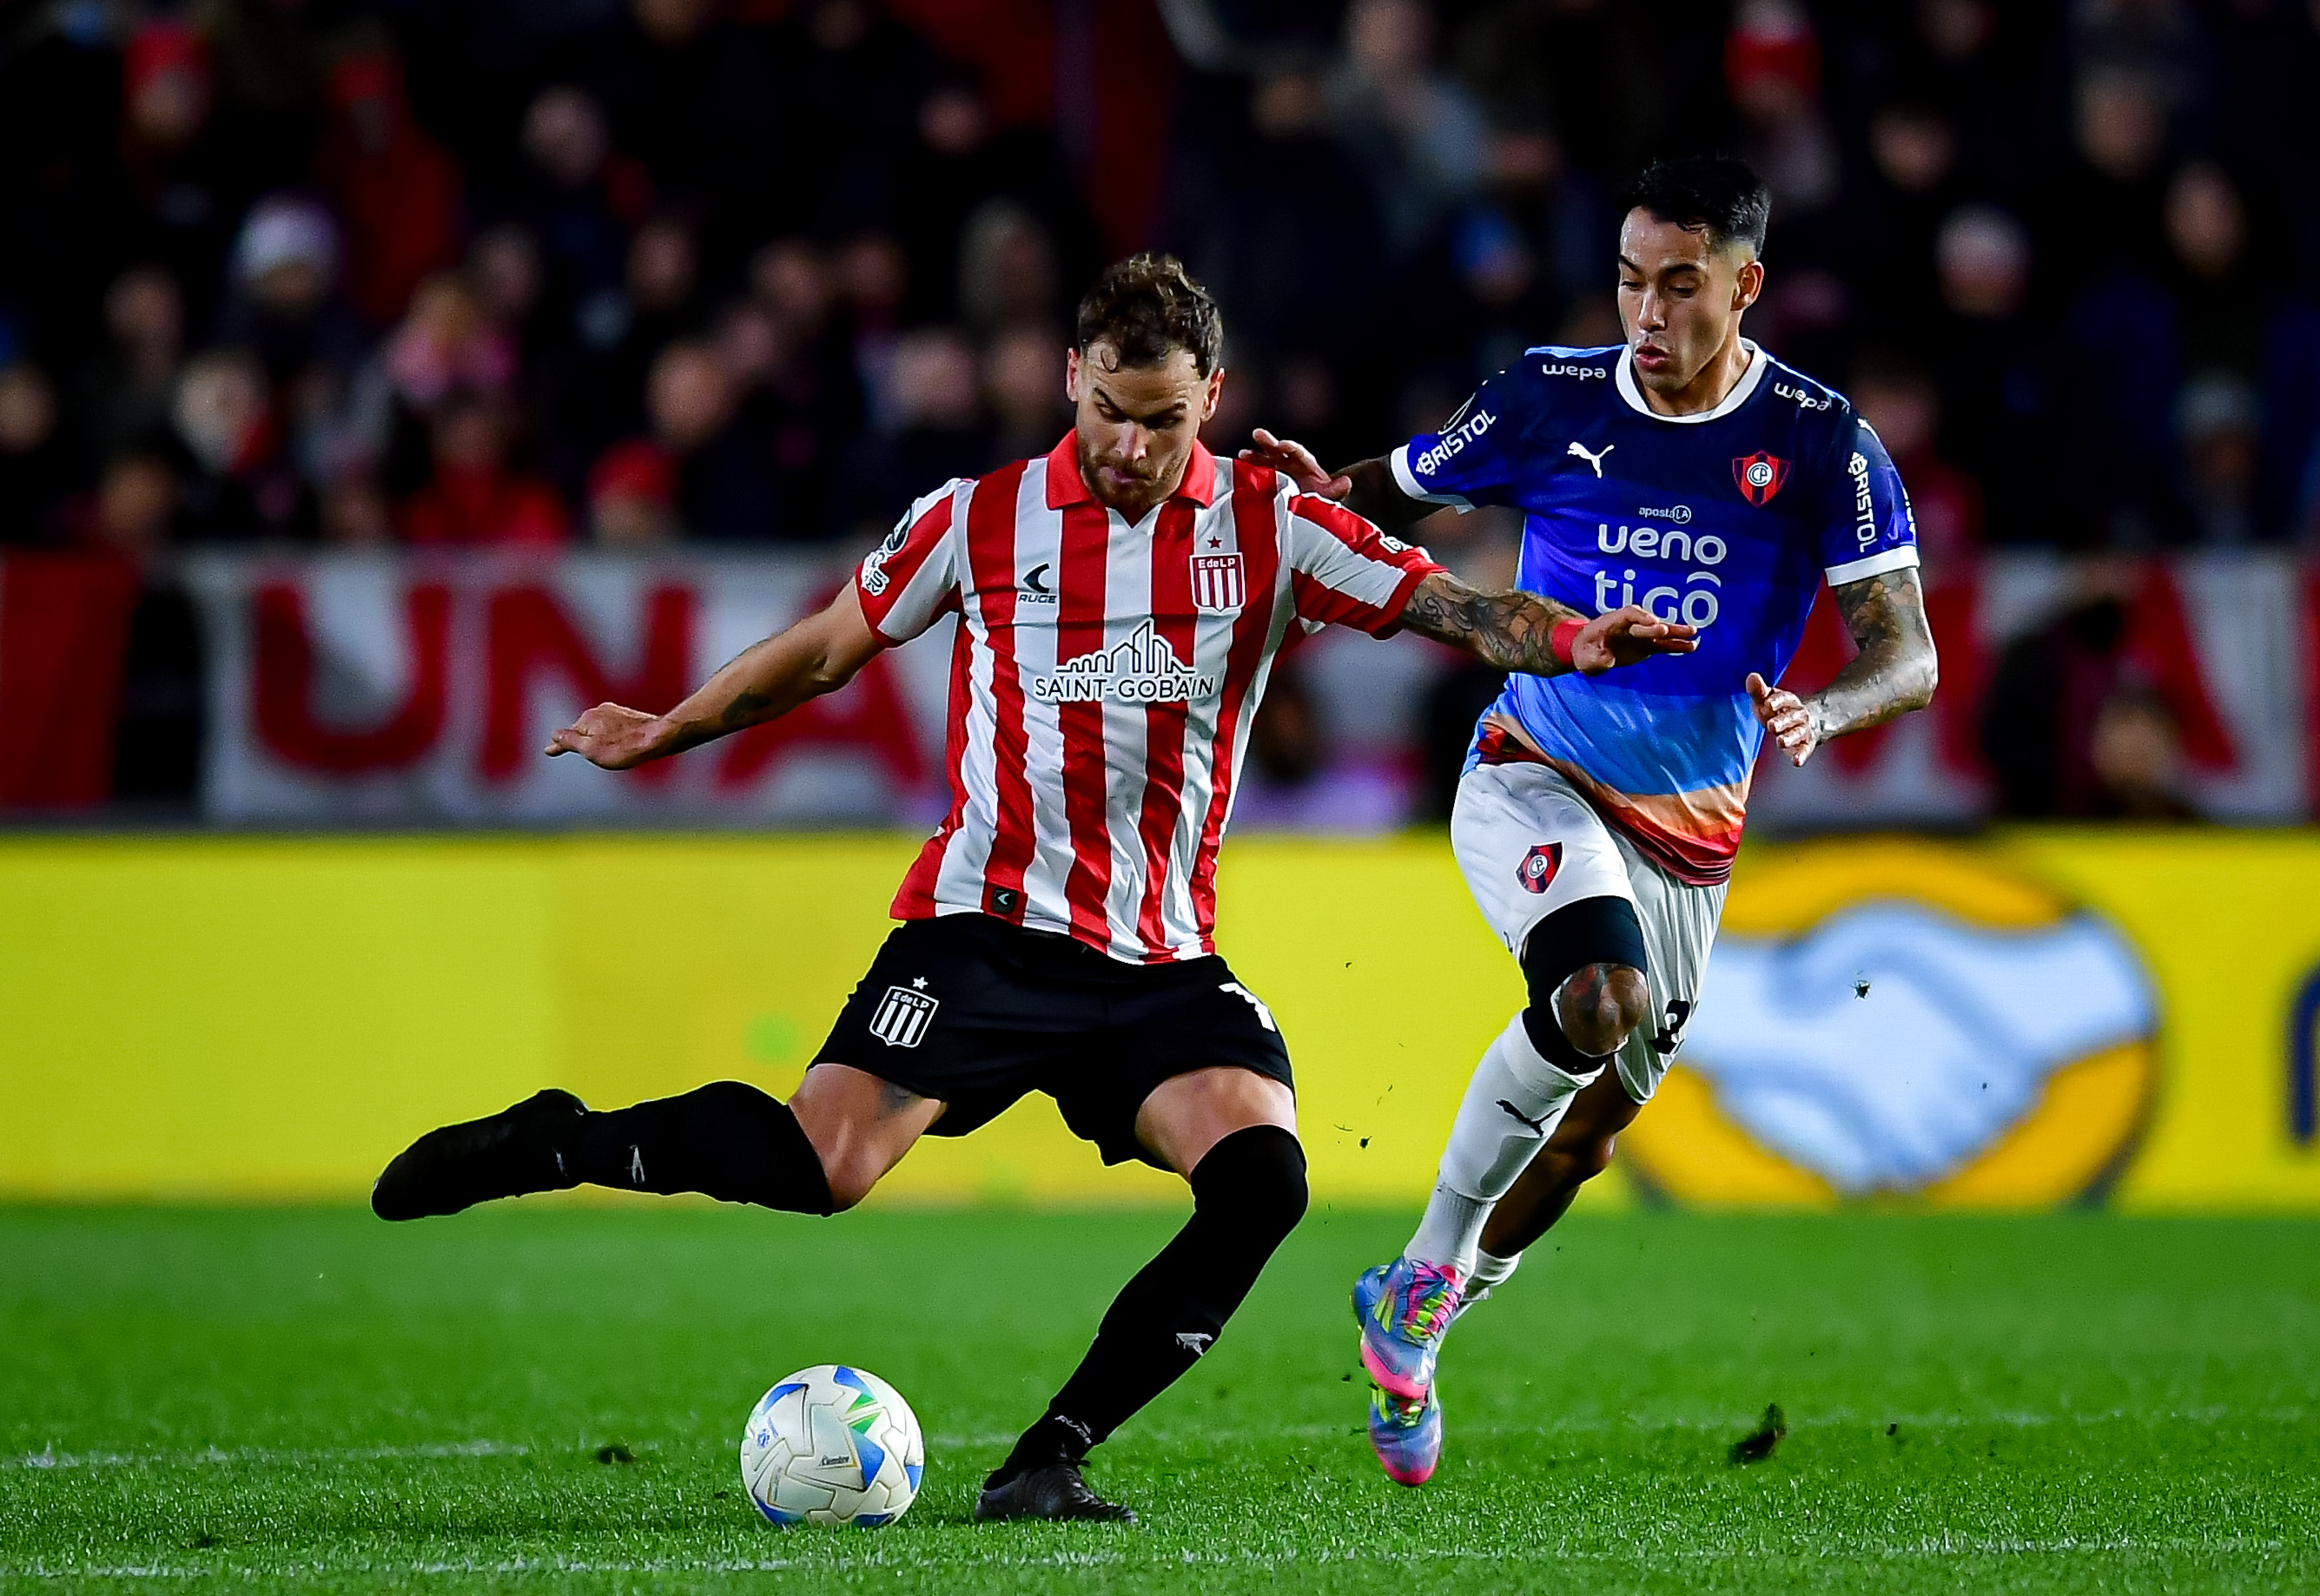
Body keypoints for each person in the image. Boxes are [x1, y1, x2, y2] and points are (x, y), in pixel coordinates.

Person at [369, 254, 1693, 1522]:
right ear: (1070, 377)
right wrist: (669, 726)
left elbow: (1462, 609)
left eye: (1162, 419)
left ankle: (1045, 1459)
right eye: (1110, 410)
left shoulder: (1274, 526)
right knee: (821, 1166)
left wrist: (1574, 638)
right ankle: (558, 1139)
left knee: (1262, 1180)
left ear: (1211, 397)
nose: (1130, 445)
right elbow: (824, 650)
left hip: (1159, 960)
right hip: (982, 935)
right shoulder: (976, 517)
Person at [1240, 156, 1940, 1485]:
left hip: (1693, 832)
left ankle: (1418, 1310)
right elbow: (1394, 484)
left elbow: (1905, 651)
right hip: (1534, 765)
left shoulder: (1817, 440)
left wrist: (1823, 709)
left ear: (1744, 284)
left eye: (1679, 285)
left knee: (1586, 1135)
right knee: (1596, 996)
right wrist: (1298, 490)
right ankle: (1424, 1277)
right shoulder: (1549, 396)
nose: (1647, 313)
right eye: (1628, 281)